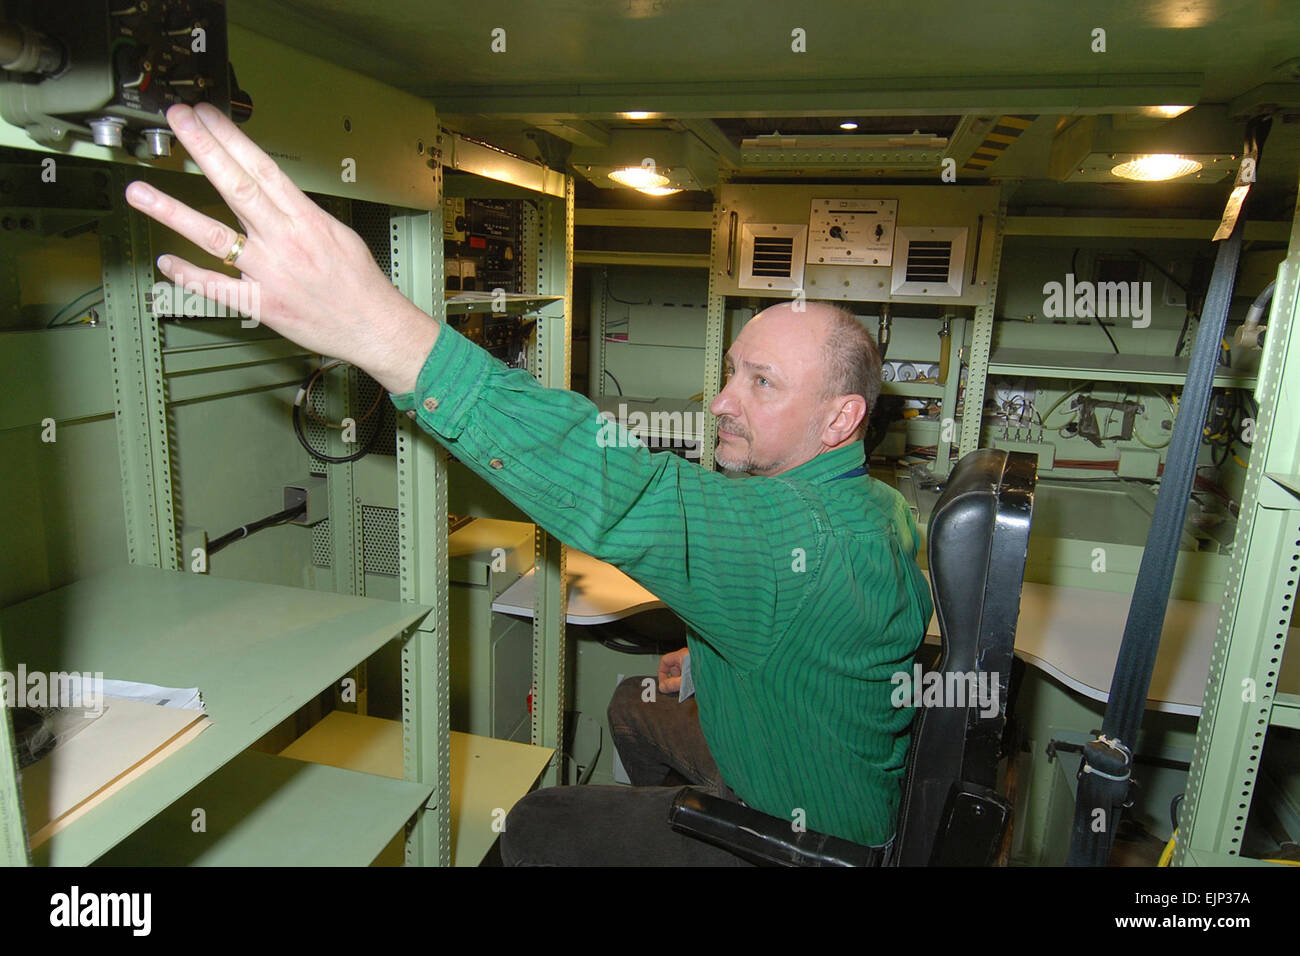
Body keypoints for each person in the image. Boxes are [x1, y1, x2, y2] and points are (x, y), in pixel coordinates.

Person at [125, 102, 934, 866]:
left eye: (762, 383)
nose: (722, 401)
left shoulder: (796, 542)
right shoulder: (874, 505)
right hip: (833, 782)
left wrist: (382, 331)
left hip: (803, 840)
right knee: (633, 707)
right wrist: (722, 653)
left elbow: (629, 492)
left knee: (542, 822)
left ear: (840, 420)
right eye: (731, 373)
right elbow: (802, 616)